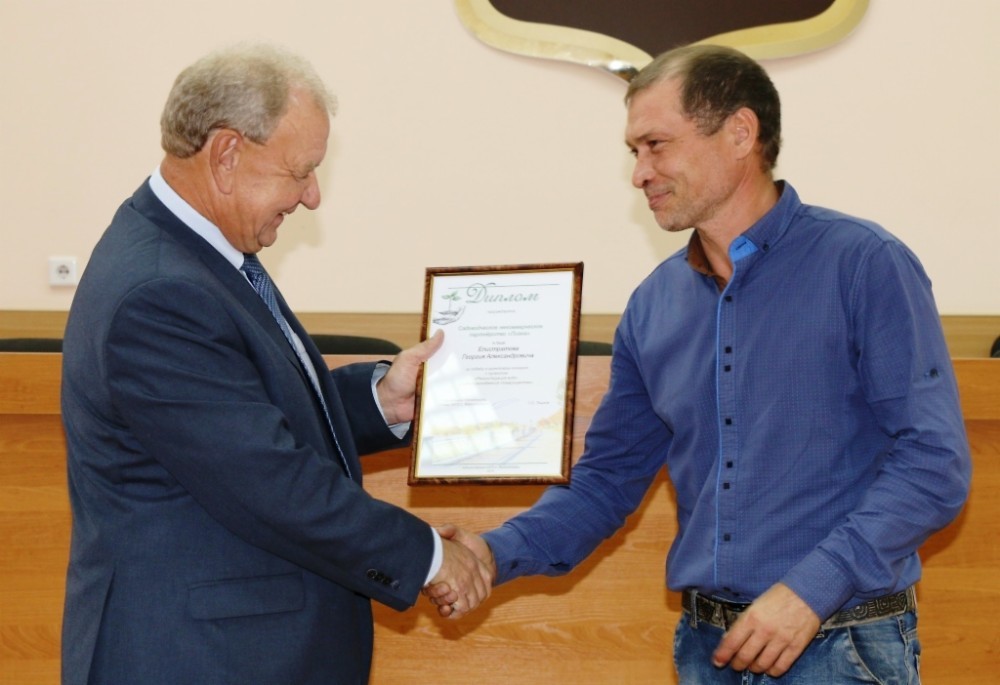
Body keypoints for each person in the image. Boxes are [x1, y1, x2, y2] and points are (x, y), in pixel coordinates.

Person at [426, 44, 971, 682]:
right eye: (635, 151)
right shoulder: (653, 304)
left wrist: (810, 591)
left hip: (841, 645)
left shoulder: (863, 264)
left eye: (656, 145)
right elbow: (606, 482)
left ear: (740, 133)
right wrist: (493, 553)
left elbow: (934, 463)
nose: (639, 173)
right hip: (706, 648)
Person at [60, 44, 491, 685]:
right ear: (227, 155)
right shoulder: (160, 291)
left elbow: (242, 414)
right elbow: (268, 480)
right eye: (301, 171)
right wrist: (428, 557)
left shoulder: (196, 254)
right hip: (198, 659)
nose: (312, 196)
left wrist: (379, 402)